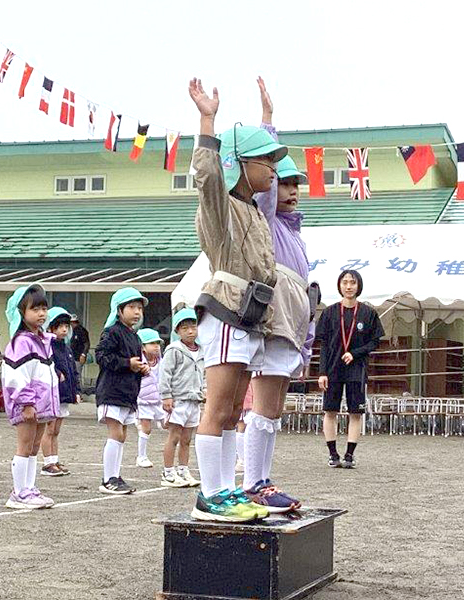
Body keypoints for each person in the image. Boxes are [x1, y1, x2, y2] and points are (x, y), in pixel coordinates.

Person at [188, 77, 285, 522]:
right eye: (265, 160)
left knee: (232, 414)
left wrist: (267, 121)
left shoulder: (254, 208)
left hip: (250, 316)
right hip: (226, 310)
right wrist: (208, 119)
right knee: (219, 407)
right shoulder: (221, 205)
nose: (274, 170)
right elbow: (208, 176)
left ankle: (226, 490)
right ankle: (210, 495)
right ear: (241, 163)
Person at [242, 77, 315, 514]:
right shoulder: (266, 219)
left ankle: (263, 480)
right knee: (264, 406)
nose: (289, 190)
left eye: (295, 185)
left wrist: (306, 344)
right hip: (272, 323)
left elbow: (306, 297)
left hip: (291, 325)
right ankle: (254, 483)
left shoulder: (297, 235)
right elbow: (264, 188)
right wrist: (268, 122)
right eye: (284, 182)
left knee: (274, 411)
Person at [315, 270, 383, 468]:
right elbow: (324, 345)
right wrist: (322, 372)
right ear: (339, 286)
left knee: (355, 413)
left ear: (358, 286)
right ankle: (333, 453)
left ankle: (350, 455)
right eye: (344, 282)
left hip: (357, 369)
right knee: (330, 411)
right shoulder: (329, 312)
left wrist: (356, 353)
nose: (348, 286)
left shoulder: (368, 313)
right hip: (333, 368)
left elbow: (374, 342)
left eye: (352, 282)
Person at [1, 284, 59, 509]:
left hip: (42, 405)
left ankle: (29, 488)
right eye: (35, 309)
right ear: (21, 313)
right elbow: (17, 375)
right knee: (24, 446)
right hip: (27, 405)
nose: (41, 314)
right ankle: (19, 492)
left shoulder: (44, 340)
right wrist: (26, 402)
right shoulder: (21, 342)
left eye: (44, 308)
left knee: (35, 446)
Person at [95, 287, 148, 495]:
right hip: (112, 391)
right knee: (115, 433)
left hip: (128, 393)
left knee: (122, 434)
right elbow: (102, 356)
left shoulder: (134, 336)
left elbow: (133, 363)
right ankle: (108, 479)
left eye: (139, 308)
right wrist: (127, 363)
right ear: (119, 310)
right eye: (132, 307)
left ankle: (114, 475)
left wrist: (140, 368)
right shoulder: (112, 331)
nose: (137, 312)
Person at [160, 308, 204, 488]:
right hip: (178, 399)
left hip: (195, 400)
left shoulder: (202, 350)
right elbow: (165, 373)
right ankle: (168, 473)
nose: (190, 331)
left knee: (187, 439)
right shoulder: (174, 350)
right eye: (184, 328)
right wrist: (166, 396)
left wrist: (205, 391)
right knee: (174, 436)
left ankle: (183, 471)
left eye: (193, 326)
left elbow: (205, 374)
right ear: (177, 331)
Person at [41, 307, 79, 477]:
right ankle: (47, 462)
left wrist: (75, 390)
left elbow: (73, 371)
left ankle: (55, 459)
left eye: (66, 326)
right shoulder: (47, 346)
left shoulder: (66, 348)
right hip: (52, 394)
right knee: (49, 429)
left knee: (56, 430)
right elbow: (46, 366)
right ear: (51, 328)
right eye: (60, 326)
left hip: (64, 394)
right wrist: (57, 374)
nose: (64, 330)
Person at [135, 328, 164, 469]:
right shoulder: (139, 363)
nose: (156, 346)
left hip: (159, 399)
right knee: (146, 428)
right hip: (143, 401)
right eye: (152, 343)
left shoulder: (161, 360)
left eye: (158, 343)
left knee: (168, 424)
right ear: (142, 347)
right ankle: (141, 456)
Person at [69, 314, 90, 383]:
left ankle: (79, 392)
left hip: (78, 357)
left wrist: (83, 354)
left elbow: (86, 343)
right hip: (73, 356)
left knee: (77, 376)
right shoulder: (73, 331)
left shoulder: (81, 330)